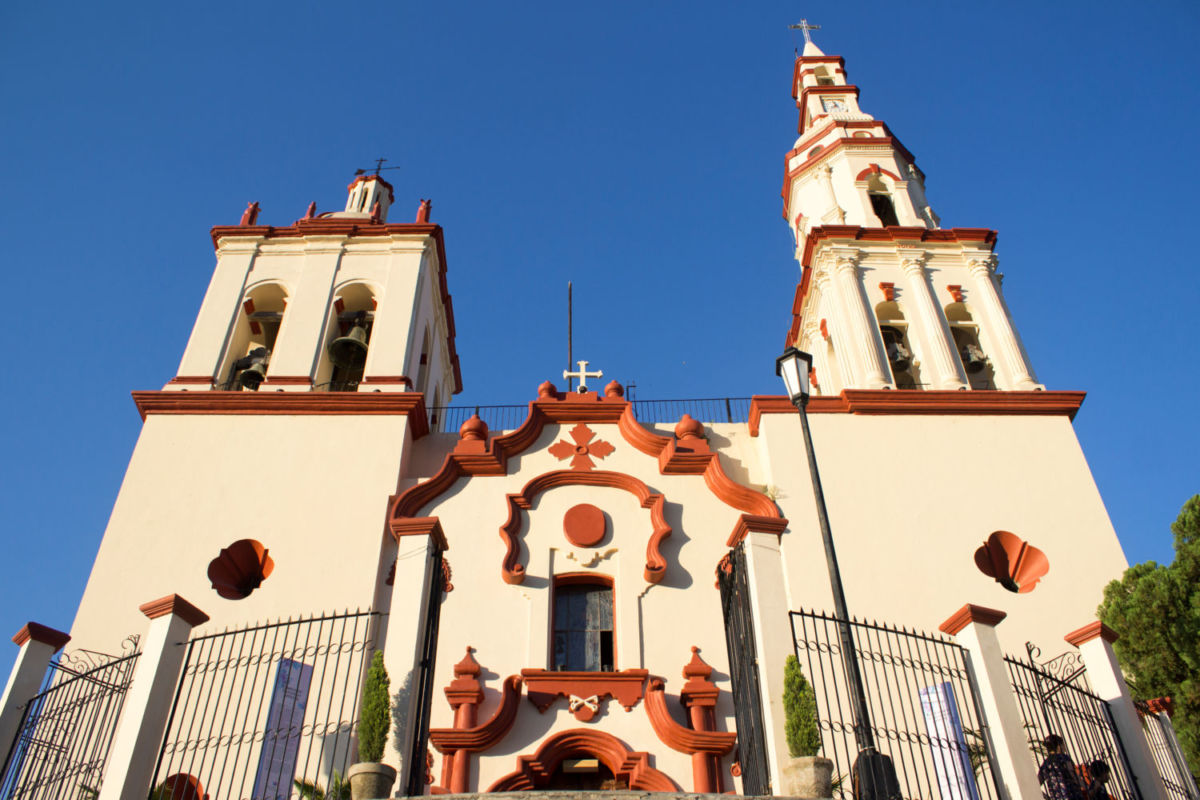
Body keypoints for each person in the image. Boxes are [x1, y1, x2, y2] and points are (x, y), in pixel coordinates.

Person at [1038, 734, 1086, 800]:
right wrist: (1085, 786)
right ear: (1059, 746)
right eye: (1063, 744)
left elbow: (1036, 783)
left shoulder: (1045, 764)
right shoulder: (1065, 758)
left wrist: (1047, 797)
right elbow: (1073, 775)